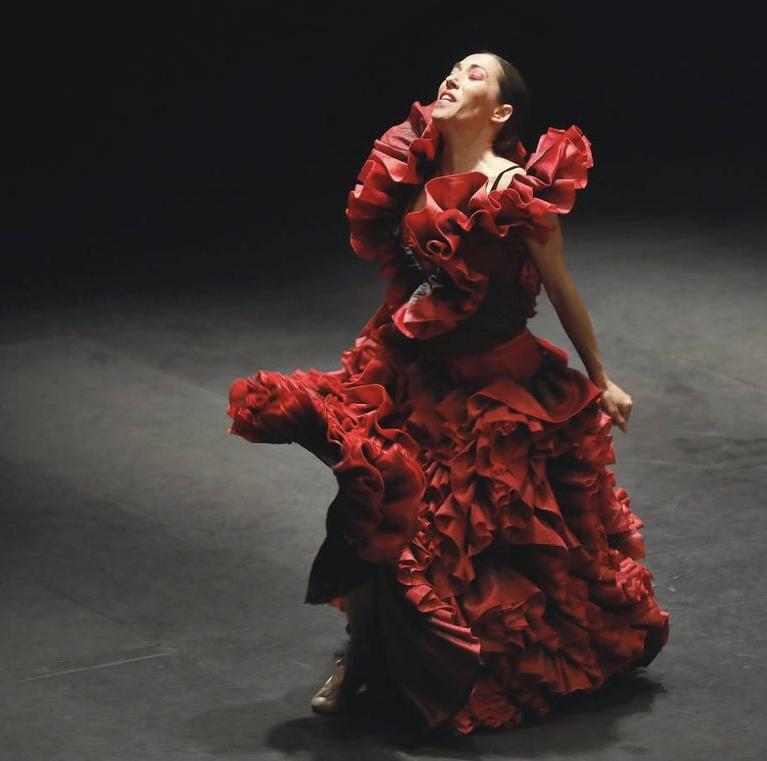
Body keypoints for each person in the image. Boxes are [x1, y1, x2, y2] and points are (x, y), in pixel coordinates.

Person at [227, 50, 669, 736]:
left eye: (473, 74)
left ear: (500, 112)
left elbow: (559, 284)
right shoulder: (413, 165)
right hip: (411, 376)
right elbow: (410, 284)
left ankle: (442, 664)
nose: (453, 77)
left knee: (457, 540)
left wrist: (602, 375)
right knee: (375, 515)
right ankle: (362, 655)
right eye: (453, 68)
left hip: (498, 392)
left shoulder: (518, 189)